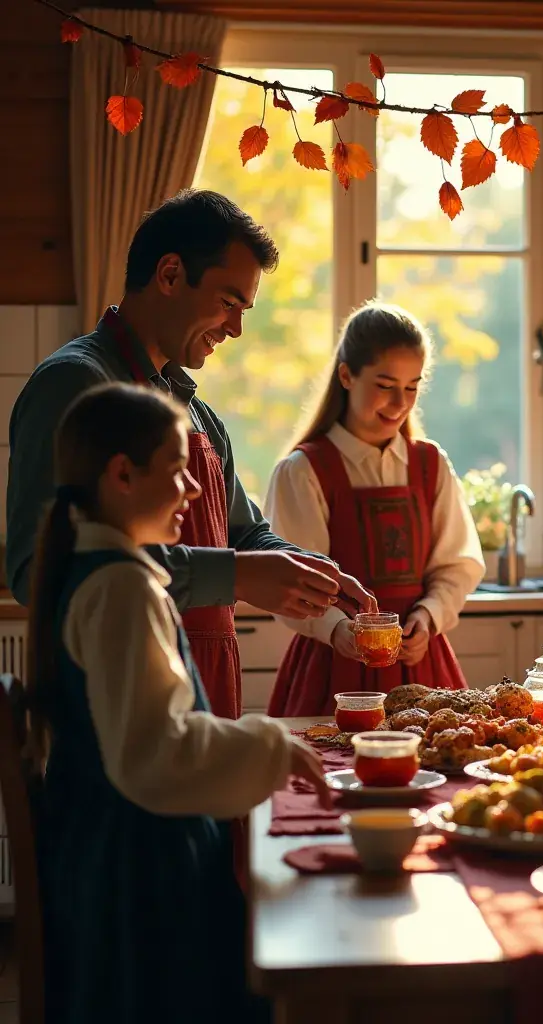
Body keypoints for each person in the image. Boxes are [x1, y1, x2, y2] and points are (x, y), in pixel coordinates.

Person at [29, 382, 333, 1024]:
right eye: (178, 473)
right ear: (122, 477)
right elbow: (153, 754)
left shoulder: (109, 575)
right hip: (141, 875)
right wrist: (273, 746)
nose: (195, 493)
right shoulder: (122, 592)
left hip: (117, 853)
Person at [6, 189, 374, 719]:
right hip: (114, 725)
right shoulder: (74, 384)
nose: (237, 328)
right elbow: (36, 571)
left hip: (203, 714)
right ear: (171, 274)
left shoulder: (198, 415)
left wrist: (310, 569)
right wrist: (237, 575)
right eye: (229, 303)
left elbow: (244, 535)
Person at [264, 300, 485, 714]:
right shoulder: (304, 471)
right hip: (335, 669)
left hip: (422, 665)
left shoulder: (430, 464)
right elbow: (292, 581)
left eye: (412, 386)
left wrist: (430, 616)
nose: (400, 402)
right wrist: (338, 629)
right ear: (346, 375)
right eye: (385, 385)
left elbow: (457, 564)